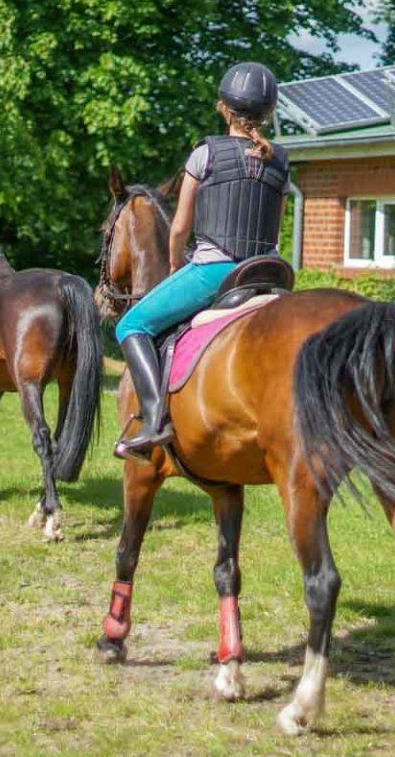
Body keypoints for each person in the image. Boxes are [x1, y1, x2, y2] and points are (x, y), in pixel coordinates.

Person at [113, 61, 289, 459]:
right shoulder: (279, 159)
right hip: (269, 273)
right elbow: (275, 231)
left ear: (223, 107)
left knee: (132, 323)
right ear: (268, 112)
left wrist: (176, 264)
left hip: (217, 270)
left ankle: (155, 420)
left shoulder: (205, 154)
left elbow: (179, 229)